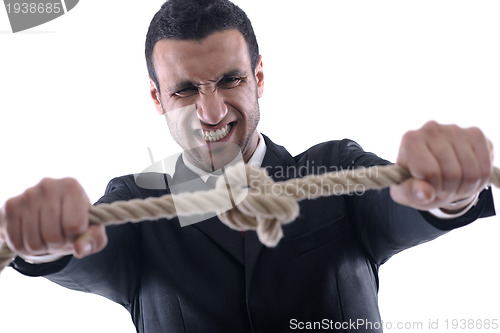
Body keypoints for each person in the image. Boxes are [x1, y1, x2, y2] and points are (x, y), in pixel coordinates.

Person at [0, 0, 495, 332]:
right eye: (186, 89)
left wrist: (447, 188)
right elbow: (84, 253)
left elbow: (401, 206)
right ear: (157, 97)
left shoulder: (334, 168)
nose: (211, 113)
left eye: (230, 80)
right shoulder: (137, 201)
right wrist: (47, 240)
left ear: (258, 76)